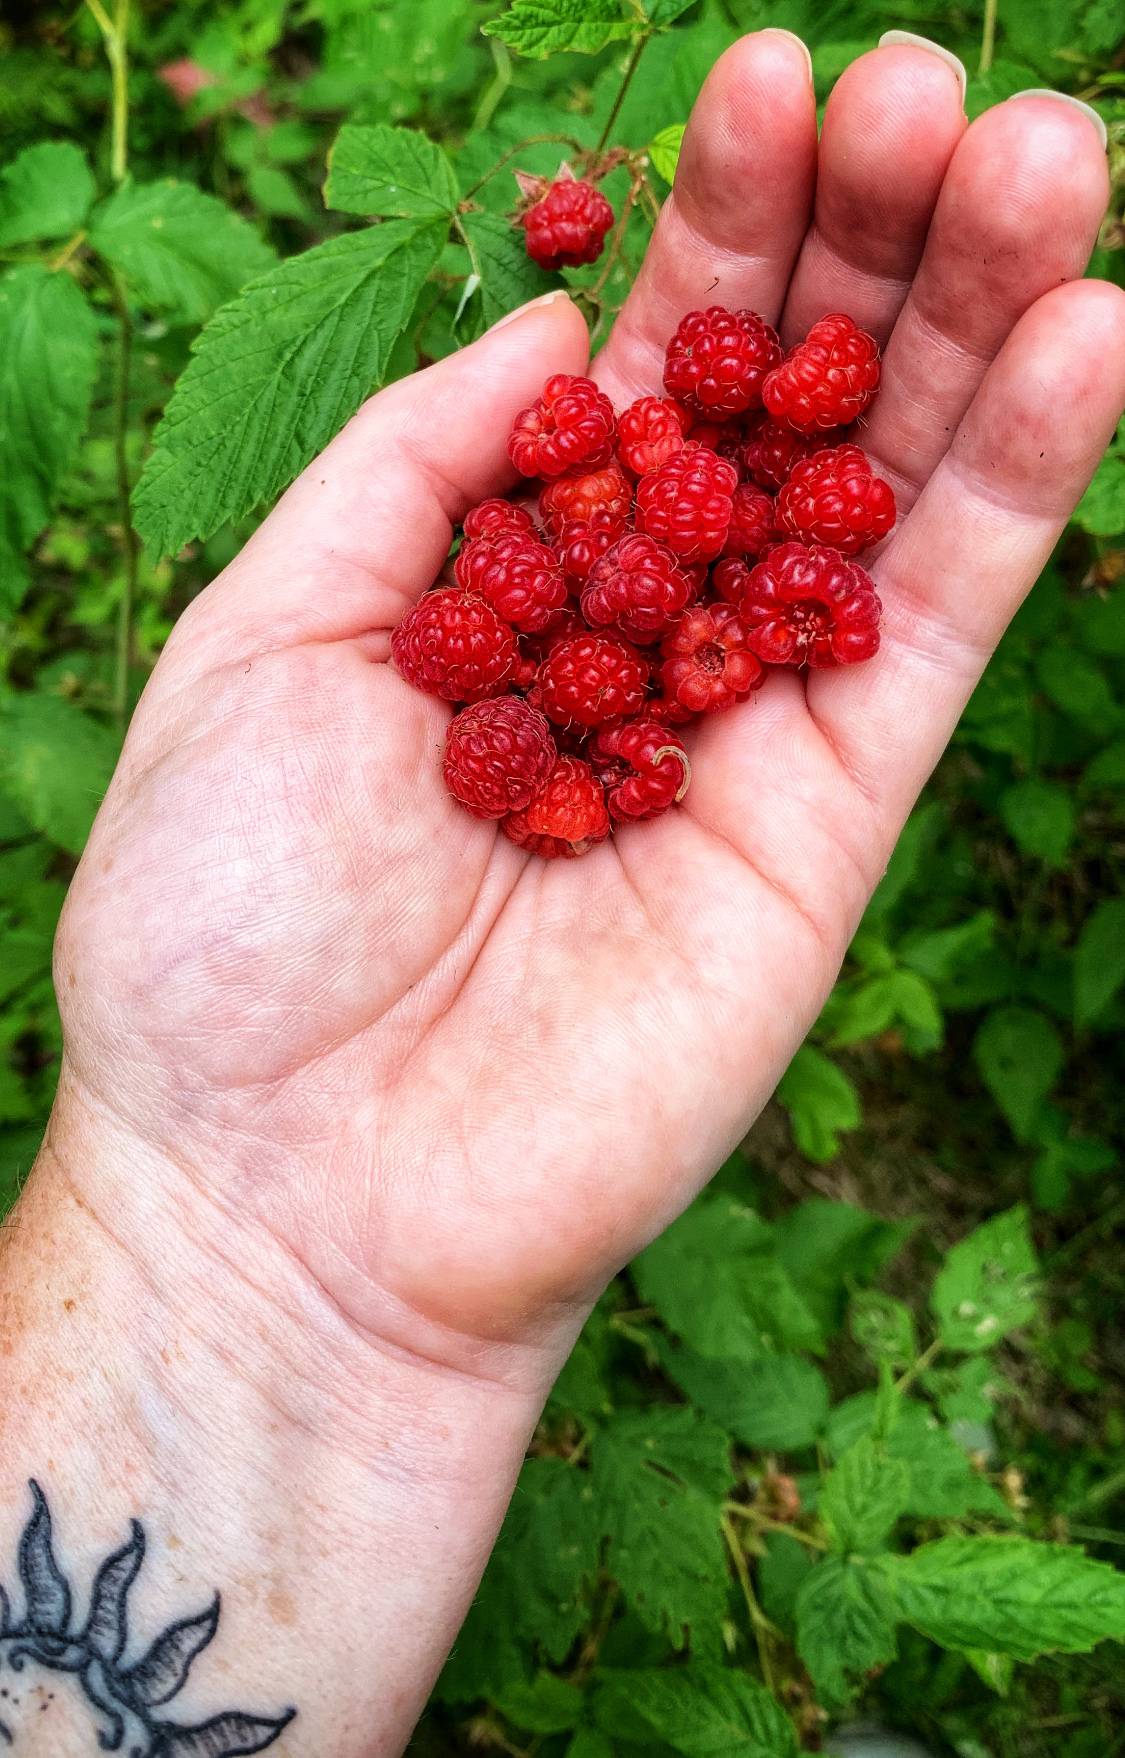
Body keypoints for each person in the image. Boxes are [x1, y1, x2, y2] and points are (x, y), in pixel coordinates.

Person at [1, 28, 1121, 1758]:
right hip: (584, 679)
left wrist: (689, 583)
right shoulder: (571, 623)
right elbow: (572, 633)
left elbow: (678, 586)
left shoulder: (670, 562)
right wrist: (205, 1213)